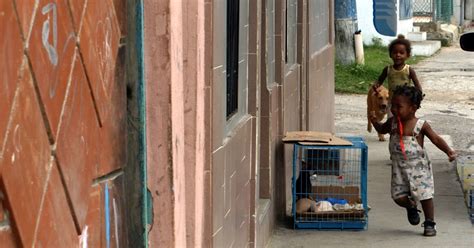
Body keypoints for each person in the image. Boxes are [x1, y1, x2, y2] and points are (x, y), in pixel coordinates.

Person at [370, 85, 456, 237]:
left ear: (413, 108)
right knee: (398, 197)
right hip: (399, 169)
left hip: (419, 169)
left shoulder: (420, 125)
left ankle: (430, 222)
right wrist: (375, 122)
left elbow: (435, 139)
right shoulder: (393, 122)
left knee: (425, 196)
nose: (394, 109)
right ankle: (410, 206)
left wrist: (448, 151)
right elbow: (382, 129)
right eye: (393, 106)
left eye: (399, 106)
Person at [372, 35, 422, 104]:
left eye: (401, 53)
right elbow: (379, 81)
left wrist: (418, 97)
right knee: (392, 115)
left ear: (408, 55)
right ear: (390, 54)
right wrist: (376, 85)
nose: (398, 55)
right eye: (395, 52)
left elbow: (417, 86)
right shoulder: (387, 69)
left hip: (405, 102)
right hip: (391, 102)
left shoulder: (409, 70)